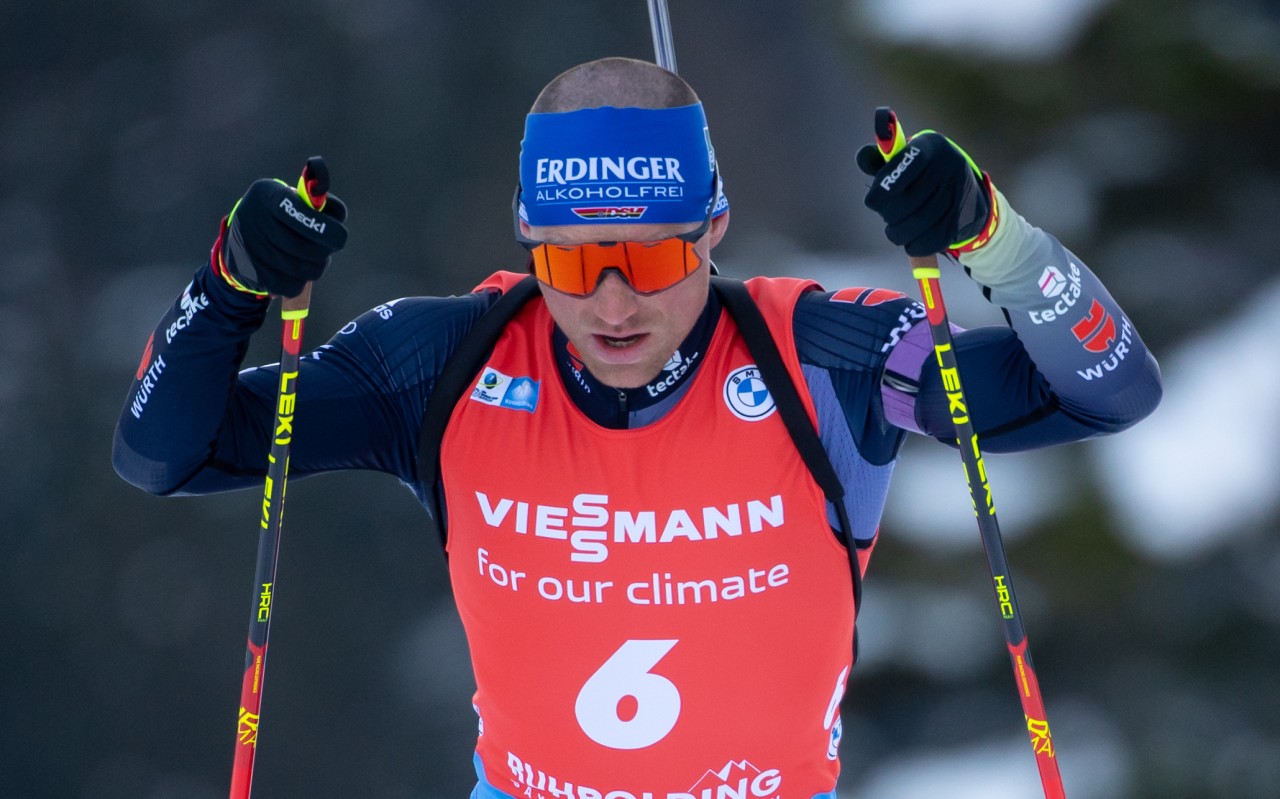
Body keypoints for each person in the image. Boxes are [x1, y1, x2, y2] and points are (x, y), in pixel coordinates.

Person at [114, 57, 1161, 798]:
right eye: (570, 264)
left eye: (652, 260)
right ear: (528, 244)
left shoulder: (822, 356)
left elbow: (1104, 387)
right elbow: (164, 452)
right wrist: (232, 282)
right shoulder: (439, 362)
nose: (612, 306)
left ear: (712, 231)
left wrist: (990, 232)